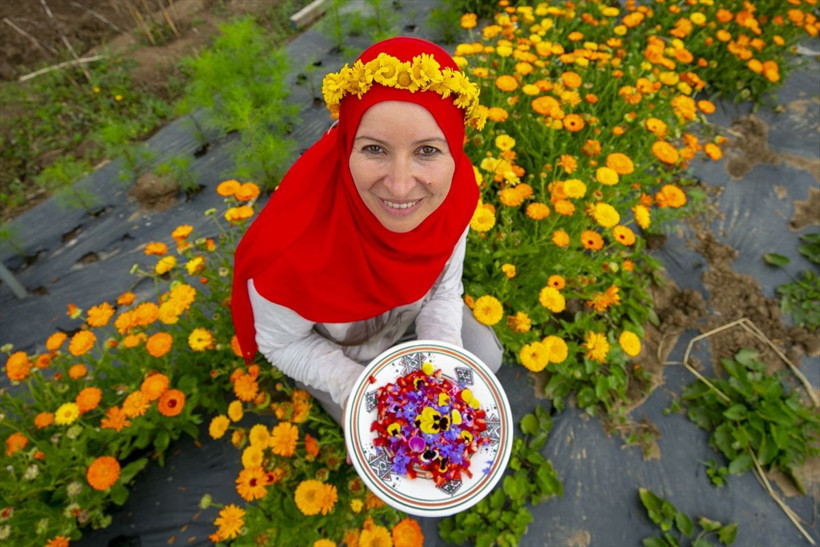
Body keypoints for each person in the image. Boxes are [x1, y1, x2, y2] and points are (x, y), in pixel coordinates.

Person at [231, 37, 502, 425]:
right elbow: (282, 342)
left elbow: (444, 288)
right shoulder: (290, 251)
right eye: (375, 149)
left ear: (455, 150)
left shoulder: (452, 197)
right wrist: (359, 388)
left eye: (427, 151)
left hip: (410, 321)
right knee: (384, 432)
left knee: (483, 358)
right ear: (344, 146)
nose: (400, 186)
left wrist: (440, 363)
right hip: (343, 354)